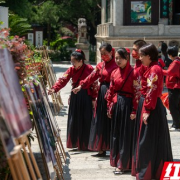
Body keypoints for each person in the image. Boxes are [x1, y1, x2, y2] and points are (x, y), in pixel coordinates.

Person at [133, 44, 173, 180]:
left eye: (142, 55)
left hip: (152, 108)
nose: (140, 58)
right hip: (150, 106)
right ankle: (155, 171)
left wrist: (147, 109)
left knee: (149, 141)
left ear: (149, 56)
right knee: (155, 140)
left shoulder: (155, 69)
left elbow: (152, 89)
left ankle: (150, 172)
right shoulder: (150, 67)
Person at [72, 43, 117, 156]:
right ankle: (101, 148)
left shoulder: (116, 65)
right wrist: (81, 86)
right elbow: (91, 77)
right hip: (102, 94)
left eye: (105, 54)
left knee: (111, 120)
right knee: (100, 119)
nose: (103, 56)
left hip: (112, 93)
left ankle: (113, 148)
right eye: (101, 54)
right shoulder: (100, 65)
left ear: (111, 52)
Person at [48, 49, 98, 150]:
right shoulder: (71, 70)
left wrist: (93, 98)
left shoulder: (89, 68)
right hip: (75, 96)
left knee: (86, 119)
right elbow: (63, 79)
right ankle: (76, 142)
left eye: (74, 62)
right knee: (74, 119)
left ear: (81, 61)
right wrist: (54, 88)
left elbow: (94, 84)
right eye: (71, 62)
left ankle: (86, 143)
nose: (72, 64)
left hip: (86, 96)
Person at [105, 48, 137, 174]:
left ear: (127, 58)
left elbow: (137, 93)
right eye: (116, 58)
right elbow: (111, 90)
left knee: (126, 135)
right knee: (116, 134)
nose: (117, 60)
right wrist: (109, 106)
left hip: (128, 106)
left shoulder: (134, 73)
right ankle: (117, 161)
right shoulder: (114, 72)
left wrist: (134, 110)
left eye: (120, 58)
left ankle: (125, 164)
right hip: (117, 105)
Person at [131, 39, 147, 176]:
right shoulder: (137, 64)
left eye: (135, 49)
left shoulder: (147, 67)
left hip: (145, 103)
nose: (132, 52)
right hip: (138, 101)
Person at [163, 45, 180, 131]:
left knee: (173, 107)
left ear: (170, 54)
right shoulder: (176, 62)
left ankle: (176, 125)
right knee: (175, 107)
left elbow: (169, 72)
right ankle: (176, 123)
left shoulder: (175, 63)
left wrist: (159, 70)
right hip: (175, 88)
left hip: (174, 88)